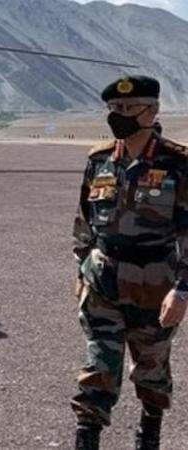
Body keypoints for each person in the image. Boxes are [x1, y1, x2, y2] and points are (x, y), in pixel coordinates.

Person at [71, 75, 188, 450]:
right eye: (113, 109)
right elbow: (85, 221)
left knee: (151, 370)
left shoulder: (177, 163)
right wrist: (81, 267)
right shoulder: (100, 159)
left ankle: (149, 432)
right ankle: (87, 437)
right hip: (103, 281)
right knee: (98, 367)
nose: (117, 115)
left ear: (152, 111)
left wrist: (183, 290)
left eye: (126, 108)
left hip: (155, 284)